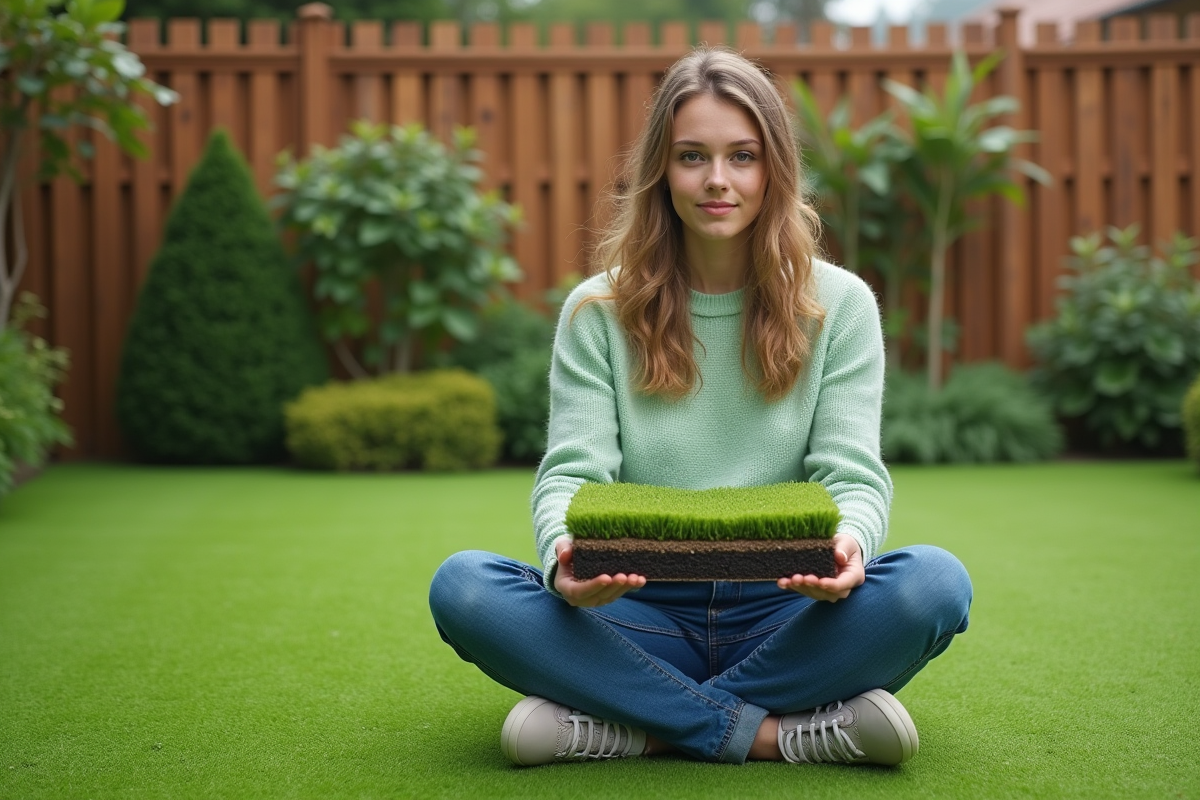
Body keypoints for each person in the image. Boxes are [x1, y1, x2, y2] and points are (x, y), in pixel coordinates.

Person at [429, 46, 971, 768]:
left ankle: (635, 724)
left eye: (742, 156)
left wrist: (850, 546)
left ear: (774, 169)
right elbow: (571, 475)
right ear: (662, 170)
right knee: (465, 588)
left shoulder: (840, 304)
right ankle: (777, 735)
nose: (718, 179)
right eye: (693, 156)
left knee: (934, 583)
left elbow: (853, 476)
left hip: (790, 613)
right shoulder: (597, 311)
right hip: (633, 612)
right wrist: (565, 565)